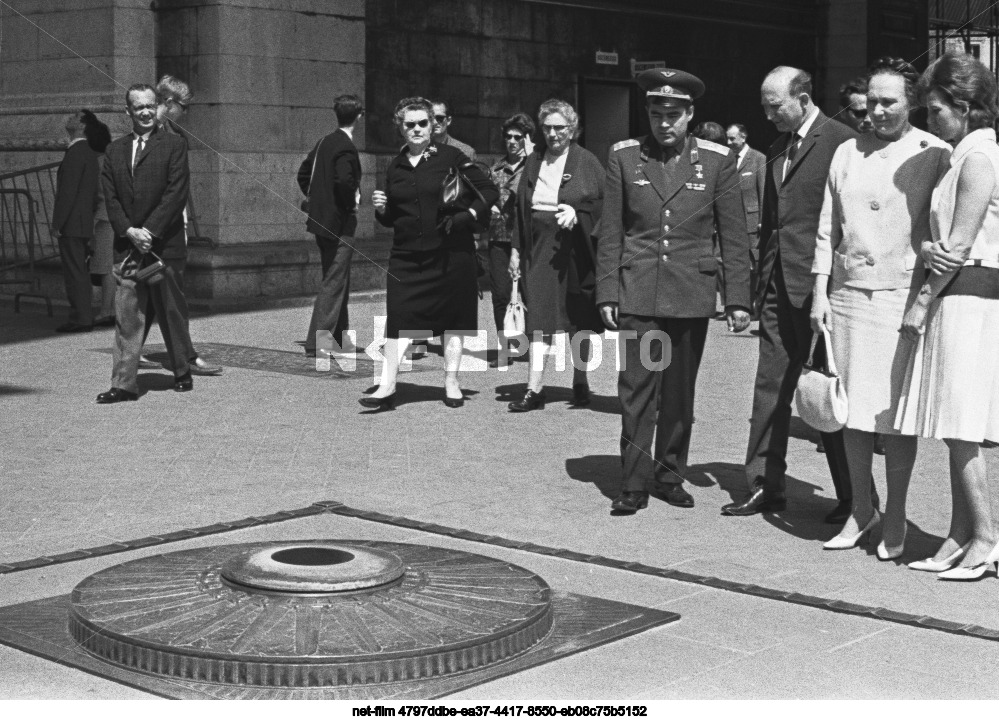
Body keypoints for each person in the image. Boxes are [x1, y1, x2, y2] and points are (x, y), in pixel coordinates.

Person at [810, 57, 951, 558]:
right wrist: (819, 293)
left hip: (898, 297)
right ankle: (860, 509)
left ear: (911, 102)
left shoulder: (934, 152)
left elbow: (944, 228)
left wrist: (928, 293)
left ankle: (896, 513)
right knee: (851, 413)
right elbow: (828, 228)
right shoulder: (847, 150)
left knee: (892, 417)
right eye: (872, 100)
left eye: (889, 101)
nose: (878, 110)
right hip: (848, 297)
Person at [596, 68, 751, 513]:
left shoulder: (717, 161)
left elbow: (733, 235)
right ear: (647, 112)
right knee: (637, 389)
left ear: (690, 114)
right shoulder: (625, 158)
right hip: (638, 292)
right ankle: (633, 481)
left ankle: (669, 474)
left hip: (690, 293)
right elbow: (611, 232)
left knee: (680, 395)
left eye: (675, 114)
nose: (665, 123)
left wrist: (737, 298)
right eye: (657, 113)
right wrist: (608, 292)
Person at [722, 66, 857, 521]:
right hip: (778, 289)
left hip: (822, 291)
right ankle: (763, 483)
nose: (767, 114)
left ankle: (854, 496)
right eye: (763, 105)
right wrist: (754, 289)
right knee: (769, 387)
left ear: (802, 97)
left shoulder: (841, 140)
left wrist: (832, 285)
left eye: (775, 106)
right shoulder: (777, 148)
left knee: (827, 389)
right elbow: (770, 226)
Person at [896, 52, 999, 579]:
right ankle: (959, 535)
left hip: (968, 297)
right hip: (959, 292)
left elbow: (959, 244)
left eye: (935, 111)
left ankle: (986, 537)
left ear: (962, 106)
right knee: (954, 422)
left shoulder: (980, 159)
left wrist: (920, 302)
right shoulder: (964, 155)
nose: (929, 120)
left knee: (962, 425)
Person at [363, 97, 497, 410]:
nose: (417, 129)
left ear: (432, 125)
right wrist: (382, 210)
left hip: (450, 253)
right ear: (400, 127)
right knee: (398, 318)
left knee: (453, 318)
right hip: (407, 256)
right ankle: (387, 385)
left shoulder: (451, 156)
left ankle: (451, 381)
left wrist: (466, 217)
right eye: (409, 124)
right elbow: (392, 218)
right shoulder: (395, 165)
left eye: (423, 123)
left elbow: (489, 191)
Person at [96, 83, 193, 403]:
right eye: (139, 107)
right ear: (128, 112)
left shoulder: (175, 145)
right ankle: (124, 383)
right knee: (127, 317)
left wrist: (149, 231)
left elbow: (176, 193)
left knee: (171, 312)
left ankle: (182, 370)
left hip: (164, 247)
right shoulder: (114, 150)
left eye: (150, 105)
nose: (146, 112)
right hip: (128, 249)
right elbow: (110, 198)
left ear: (157, 107)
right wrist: (129, 231)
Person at [507, 100, 605, 411]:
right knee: (540, 316)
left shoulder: (587, 161)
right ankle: (534, 389)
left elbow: (607, 206)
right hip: (541, 248)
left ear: (572, 129)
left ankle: (580, 379)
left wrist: (579, 212)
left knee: (580, 317)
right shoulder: (534, 159)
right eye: (547, 128)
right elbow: (521, 208)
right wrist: (515, 249)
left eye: (559, 128)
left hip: (577, 248)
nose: (553, 134)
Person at [298, 94, 363, 357]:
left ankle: (339, 338)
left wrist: (318, 201)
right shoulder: (346, 146)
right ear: (358, 116)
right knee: (334, 282)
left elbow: (303, 173)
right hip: (340, 223)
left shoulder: (324, 141)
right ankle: (318, 342)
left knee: (337, 279)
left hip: (320, 221)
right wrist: (350, 204)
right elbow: (345, 182)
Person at [486, 112, 534, 368]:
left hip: (526, 238)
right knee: (501, 293)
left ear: (527, 139)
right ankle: (505, 347)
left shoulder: (535, 166)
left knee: (528, 292)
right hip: (499, 237)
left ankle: (530, 345)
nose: (512, 141)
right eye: (508, 137)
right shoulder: (496, 169)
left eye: (518, 137)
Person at [51, 111, 101, 333]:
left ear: (81, 125)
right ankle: (83, 315)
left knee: (74, 272)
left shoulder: (76, 152)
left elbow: (67, 193)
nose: (69, 118)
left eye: (74, 117)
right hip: (82, 221)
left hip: (72, 222)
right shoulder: (87, 152)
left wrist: (57, 223)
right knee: (79, 270)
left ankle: (81, 317)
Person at [725, 123, 766, 307]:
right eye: (728, 138)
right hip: (733, 222)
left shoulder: (758, 159)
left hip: (752, 221)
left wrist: (762, 220)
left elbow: (763, 190)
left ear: (743, 137)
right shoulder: (728, 159)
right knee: (736, 263)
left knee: (755, 263)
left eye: (732, 138)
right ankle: (741, 302)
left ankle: (757, 301)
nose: (729, 142)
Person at [83, 111, 116, 327]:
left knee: (104, 266)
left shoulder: (98, 163)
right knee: (107, 266)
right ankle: (108, 308)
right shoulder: (109, 159)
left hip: (104, 219)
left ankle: (107, 310)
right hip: (110, 218)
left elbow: (99, 195)